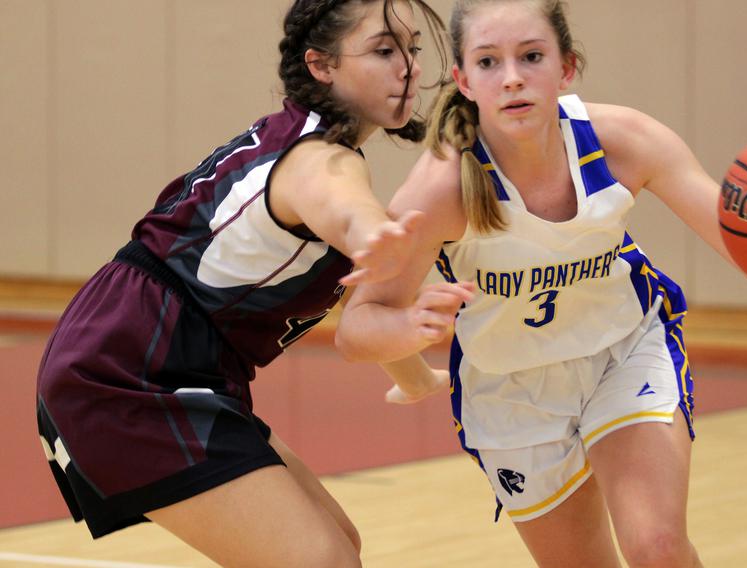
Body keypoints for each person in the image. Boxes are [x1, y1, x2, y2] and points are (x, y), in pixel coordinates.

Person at [335, 1, 747, 566]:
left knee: (657, 549)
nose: (511, 78)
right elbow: (356, 329)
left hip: (623, 350)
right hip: (510, 389)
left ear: (566, 67)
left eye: (531, 56)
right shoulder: (442, 186)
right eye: (488, 63)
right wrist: (410, 327)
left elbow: (744, 244)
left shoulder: (625, 139)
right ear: (463, 79)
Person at [35, 1, 449, 566]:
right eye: (383, 49)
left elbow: (367, 273)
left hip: (178, 361)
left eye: (412, 49)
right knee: (321, 561)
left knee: (339, 546)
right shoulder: (319, 160)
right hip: (128, 365)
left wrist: (417, 376)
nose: (408, 67)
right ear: (321, 65)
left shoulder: (307, 140)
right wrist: (375, 232)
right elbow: (347, 210)